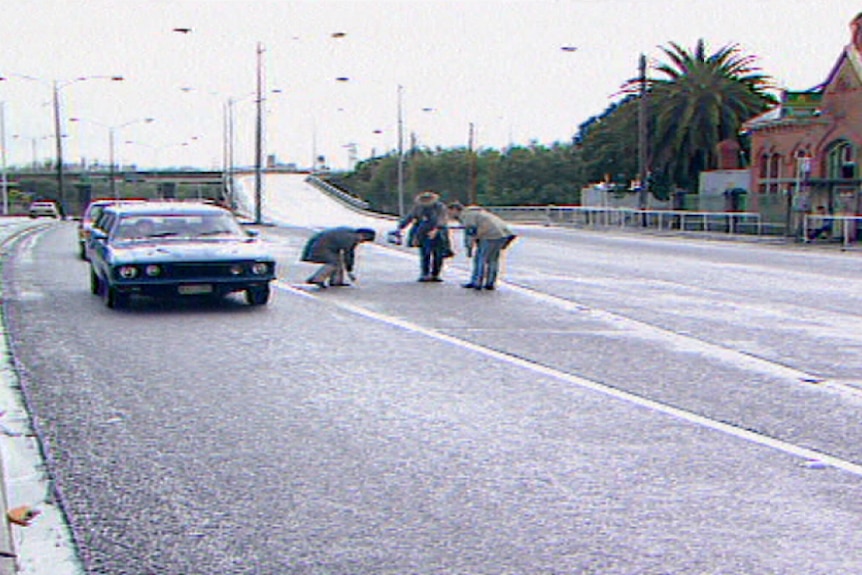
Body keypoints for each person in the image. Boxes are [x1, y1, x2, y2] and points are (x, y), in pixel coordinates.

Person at [448, 202, 517, 291]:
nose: (449, 214)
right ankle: (490, 283)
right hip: (503, 235)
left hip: (489, 235)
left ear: (455, 210)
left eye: (449, 212)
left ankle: (477, 282)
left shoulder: (467, 216)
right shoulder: (478, 212)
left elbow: (470, 233)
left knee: (480, 259)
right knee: (493, 259)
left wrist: (469, 248)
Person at [394, 190, 453, 282]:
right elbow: (410, 216)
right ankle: (425, 273)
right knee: (425, 253)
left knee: (438, 255)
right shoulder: (418, 207)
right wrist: (401, 226)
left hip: (438, 233)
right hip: (423, 233)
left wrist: (437, 229)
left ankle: (435, 274)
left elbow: (442, 218)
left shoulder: (440, 207)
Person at [301, 227, 376, 288]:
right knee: (333, 263)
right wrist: (349, 268)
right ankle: (317, 279)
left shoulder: (349, 233)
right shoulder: (350, 238)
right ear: (362, 235)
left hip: (325, 245)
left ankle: (336, 281)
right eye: (364, 240)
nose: (362, 242)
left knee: (337, 262)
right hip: (322, 247)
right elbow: (348, 254)